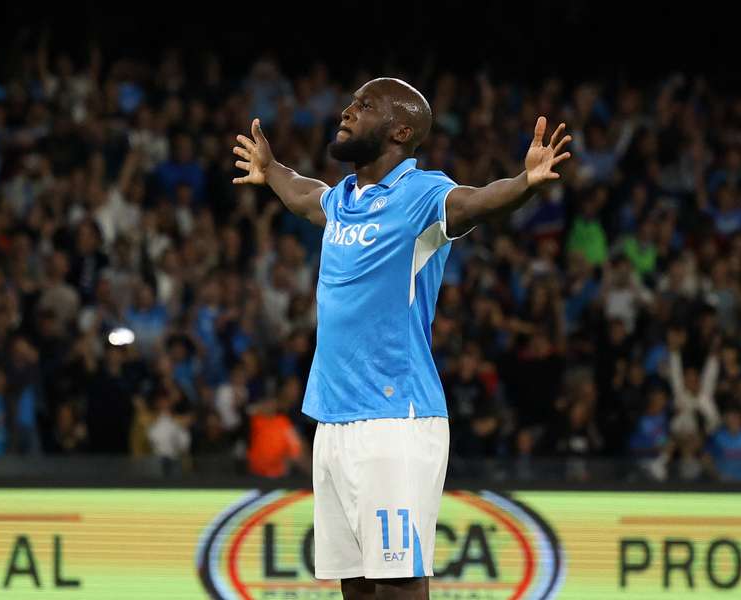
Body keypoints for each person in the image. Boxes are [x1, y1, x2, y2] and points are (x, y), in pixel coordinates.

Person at [232, 77, 571, 598]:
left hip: (395, 421)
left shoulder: (421, 194)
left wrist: (523, 185)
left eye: (364, 106)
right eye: (349, 102)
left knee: (398, 585)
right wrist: (271, 169)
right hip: (334, 420)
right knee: (357, 586)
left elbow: (475, 203)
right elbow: (306, 197)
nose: (347, 110)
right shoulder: (344, 198)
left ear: (401, 130)